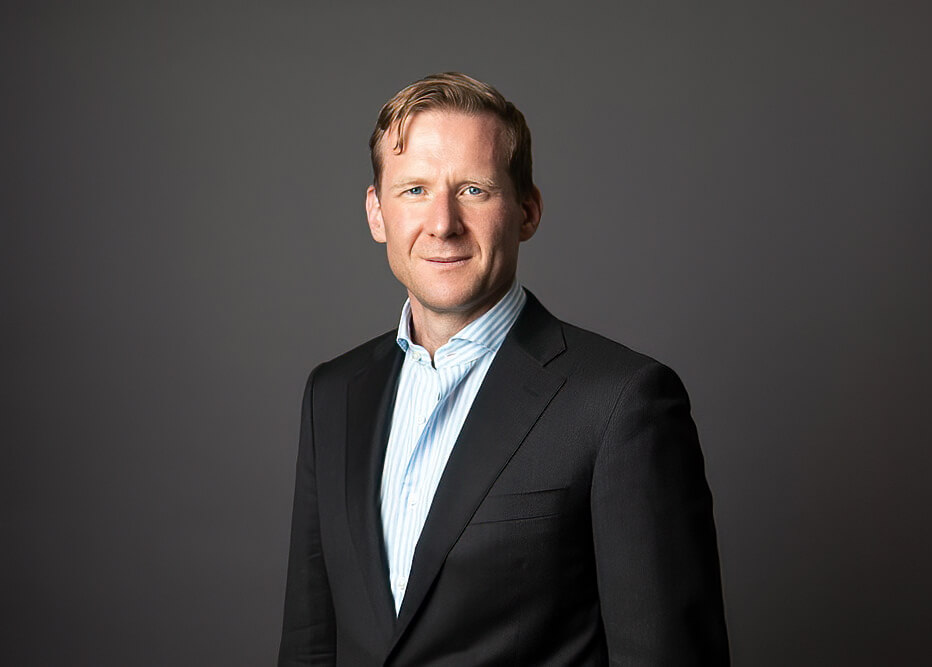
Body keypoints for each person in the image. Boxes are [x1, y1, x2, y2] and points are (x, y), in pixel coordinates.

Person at [278, 72, 729, 666]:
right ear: (376, 213)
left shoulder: (622, 403)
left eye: (473, 190)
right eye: (414, 190)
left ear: (527, 211)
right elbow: (311, 645)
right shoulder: (332, 395)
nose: (442, 223)